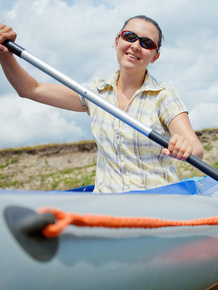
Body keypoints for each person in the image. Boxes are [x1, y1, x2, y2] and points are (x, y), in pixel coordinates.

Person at [0, 16, 204, 193]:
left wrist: (184, 147)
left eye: (146, 43)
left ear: (155, 56)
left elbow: (195, 148)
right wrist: (5, 54)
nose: (135, 46)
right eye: (129, 37)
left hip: (157, 203)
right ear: (117, 41)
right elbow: (31, 89)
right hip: (109, 206)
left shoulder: (163, 95)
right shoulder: (95, 93)